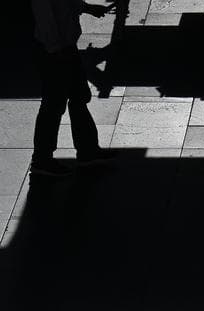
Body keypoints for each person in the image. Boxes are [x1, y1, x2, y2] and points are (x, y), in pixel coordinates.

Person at [29, 0, 117, 178]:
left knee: (78, 95)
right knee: (54, 104)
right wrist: (56, 49)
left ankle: (87, 150)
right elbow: (45, 16)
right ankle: (42, 159)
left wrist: (87, 8)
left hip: (65, 46)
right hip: (56, 50)